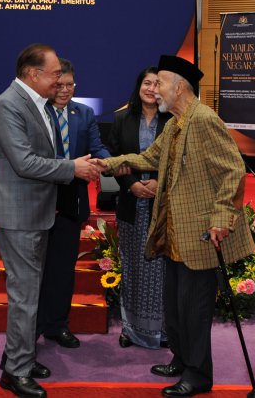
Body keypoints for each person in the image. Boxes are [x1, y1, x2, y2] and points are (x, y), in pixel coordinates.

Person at [97, 55, 254, 397]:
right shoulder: (175, 124)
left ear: (180, 87)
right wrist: (108, 163)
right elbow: (149, 158)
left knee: (194, 309)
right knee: (175, 305)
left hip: (200, 236)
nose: (156, 90)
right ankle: (181, 360)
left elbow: (233, 171)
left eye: (162, 83)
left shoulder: (204, 120)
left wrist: (221, 218)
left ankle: (198, 375)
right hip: (174, 235)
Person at [0, 44, 100, 398]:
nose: (59, 81)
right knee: (24, 295)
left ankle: (20, 357)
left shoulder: (38, 104)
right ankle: (15, 372)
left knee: (30, 293)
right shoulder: (10, 104)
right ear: (33, 74)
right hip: (18, 214)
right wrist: (72, 168)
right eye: (54, 74)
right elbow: (24, 162)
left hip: (37, 212)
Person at [36, 58, 110, 349]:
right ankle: (32, 330)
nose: (65, 90)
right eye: (60, 85)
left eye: (70, 85)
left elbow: (97, 147)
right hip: (41, 198)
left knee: (64, 269)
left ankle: (58, 326)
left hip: (71, 201)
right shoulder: (37, 112)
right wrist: (70, 167)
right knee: (37, 271)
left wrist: (110, 162)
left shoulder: (84, 113)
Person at [106, 66, 171, 349]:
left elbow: (180, 160)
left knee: (161, 270)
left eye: (157, 84)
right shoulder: (122, 118)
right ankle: (130, 330)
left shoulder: (173, 121)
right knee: (133, 267)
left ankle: (163, 331)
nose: (151, 89)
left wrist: (159, 183)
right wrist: (131, 184)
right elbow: (113, 158)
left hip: (163, 205)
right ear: (139, 86)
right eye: (147, 83)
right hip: (132, 203)